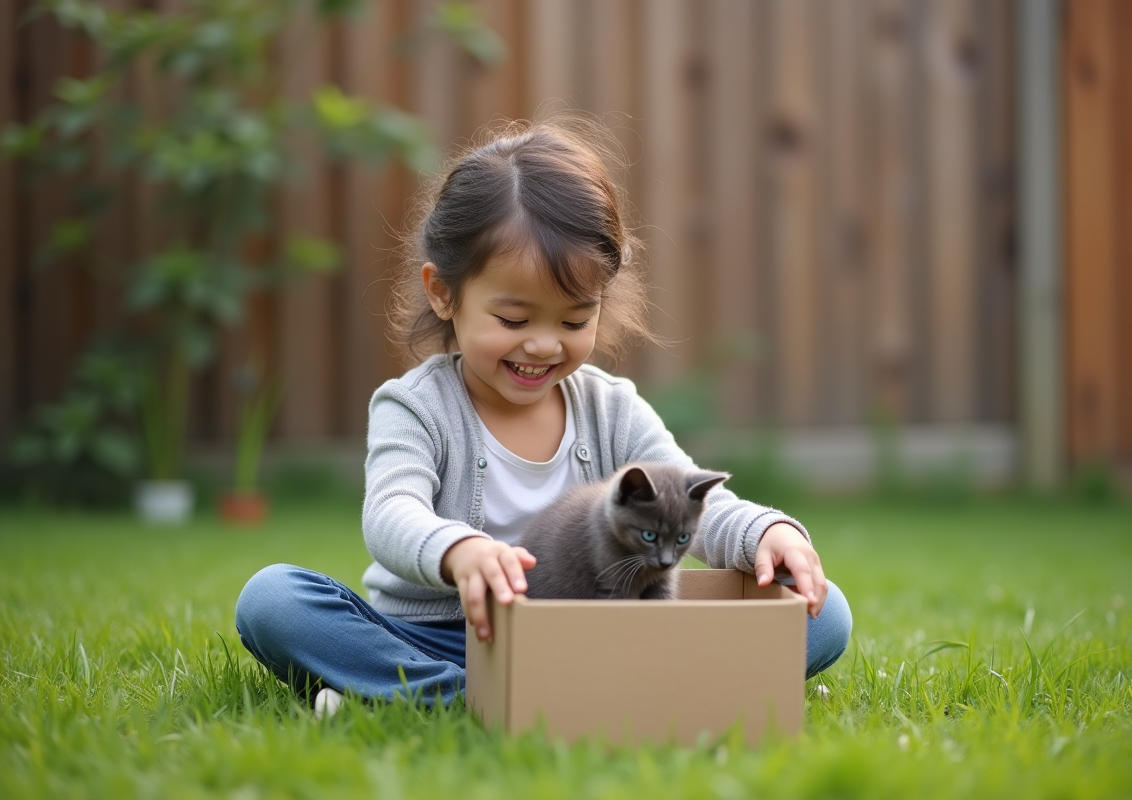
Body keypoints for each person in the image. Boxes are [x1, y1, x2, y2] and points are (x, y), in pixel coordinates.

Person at [235, 117, 852, 717]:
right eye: (513, 320)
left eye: (574, 321)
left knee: (824, 614)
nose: (543, 346)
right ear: (443, 292)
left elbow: (694, 501)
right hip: (443, 638)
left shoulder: (610, 407)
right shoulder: (415, 406)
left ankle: (464, 696)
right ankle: (478, 694)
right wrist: (460, 550)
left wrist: (768, 536)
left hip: (593, 631)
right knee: (274, 600)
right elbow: (390, 514)